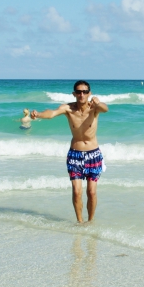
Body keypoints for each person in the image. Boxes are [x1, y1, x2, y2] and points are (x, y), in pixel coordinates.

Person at [31, 80, 109, 223]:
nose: (82, 94)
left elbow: (105, 109)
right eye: (78, 92)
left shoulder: (94, 108)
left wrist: (98, 103)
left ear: (89, 93)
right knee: (76, 192)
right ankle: (80, 223)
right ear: (74, 94)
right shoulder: (68, 109)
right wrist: (39, 115)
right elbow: (52, 113)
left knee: (91, 192)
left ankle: (90, 222)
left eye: (85, 92)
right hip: (75, 155)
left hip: (93, 155)